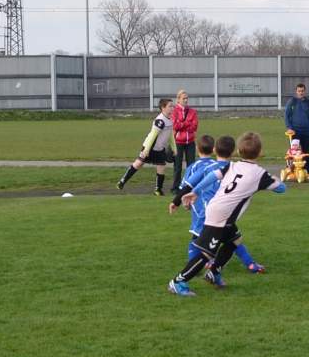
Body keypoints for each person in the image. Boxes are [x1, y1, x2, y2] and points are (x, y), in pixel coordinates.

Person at [169, 132, 283, 296]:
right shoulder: (260, 174)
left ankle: (214, 272)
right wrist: (277, 179)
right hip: (220, 215)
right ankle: (178, 282)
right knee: (206, 254)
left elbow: (212, 176)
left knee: (235, 240)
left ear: (239, 151)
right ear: (260, 152)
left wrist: (196, 191)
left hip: (221, 213)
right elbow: (281, 189)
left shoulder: (232, 166)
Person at [115, 105, 173, 193]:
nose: (172, 108)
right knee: (139, 163)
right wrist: (146, 150)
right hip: (150, 146)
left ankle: (158, 190)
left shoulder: (170, 120)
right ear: (163, 108)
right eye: (170, 106)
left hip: (160, 147)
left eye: (172, 106)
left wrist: (174, 147)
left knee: (161, 166)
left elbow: (171, 135)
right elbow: (152, 136)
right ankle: (122, 182)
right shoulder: (160, 120)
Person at [166, 89, 198, 196]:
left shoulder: (192, 111)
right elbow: (175, 126)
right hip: (178, 142)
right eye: (184, 98)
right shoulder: (174, 111)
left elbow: (194, 126)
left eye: (187, 98)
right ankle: (175, 187)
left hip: (190, 142)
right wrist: (187, 123)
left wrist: (182, 124)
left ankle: (189, 186)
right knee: (178, 166)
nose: (186, 100)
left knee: (191, 165)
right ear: (178, 99)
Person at [283, 81, 309, 180]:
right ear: (296, 91)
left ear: (305, 91)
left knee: (306, 152)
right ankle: (290, 171)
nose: (301, 92)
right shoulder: (292, 101)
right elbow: (286, 115)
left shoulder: (308, 102)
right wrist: (289, 127)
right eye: (299, 91)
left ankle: (308, 172)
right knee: (294, 152)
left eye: (302, 91)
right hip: (295, 131)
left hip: (307, 131)